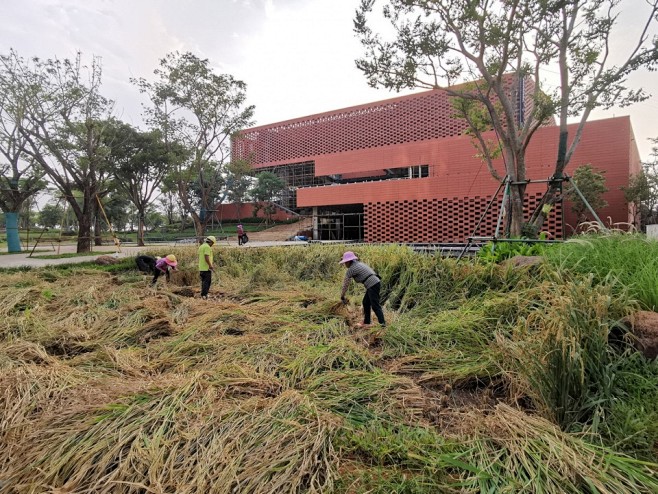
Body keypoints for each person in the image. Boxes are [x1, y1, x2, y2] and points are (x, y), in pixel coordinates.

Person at [339, 251, 386, 328]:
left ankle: (383, 325)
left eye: (345, 262)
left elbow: (345, 284)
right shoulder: (359, 264)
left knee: (375, 306)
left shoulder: (351, 269)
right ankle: (367, 322)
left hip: (372, 284)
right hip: (374, 282)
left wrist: (342, 296)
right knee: (366, 302)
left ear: (348, 261)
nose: (345, 264)